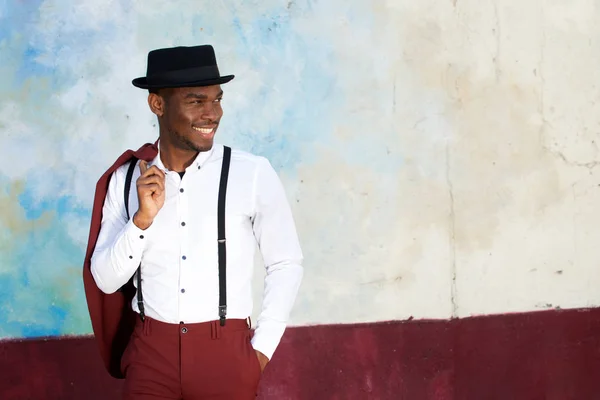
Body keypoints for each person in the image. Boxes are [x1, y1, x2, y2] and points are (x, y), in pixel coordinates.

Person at [82, 44, 304, 399]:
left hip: (226, 355)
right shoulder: (125, 179)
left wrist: (259, 353)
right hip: (150, 355)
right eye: (196, 101)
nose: (211, 113)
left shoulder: (251, 173)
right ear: (157, 104)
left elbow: (286, 262)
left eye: (216, 100)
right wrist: (141, 221)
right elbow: (105, 282)